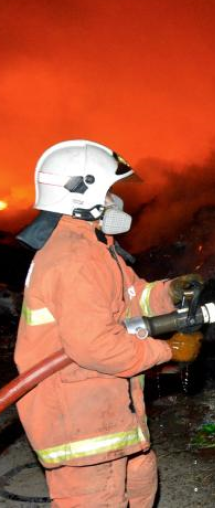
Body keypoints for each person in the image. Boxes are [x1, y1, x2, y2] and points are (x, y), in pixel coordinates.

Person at [14, 139, 204, 507]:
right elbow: (95, 347)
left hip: (106, 410)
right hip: (80, 421)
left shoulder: (95, 247)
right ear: (83, 193)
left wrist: (170, 292)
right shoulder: (76, 259)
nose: (117, 202)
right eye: (110, 192)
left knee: (141, 478)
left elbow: (131, 297)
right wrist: (167, 351)